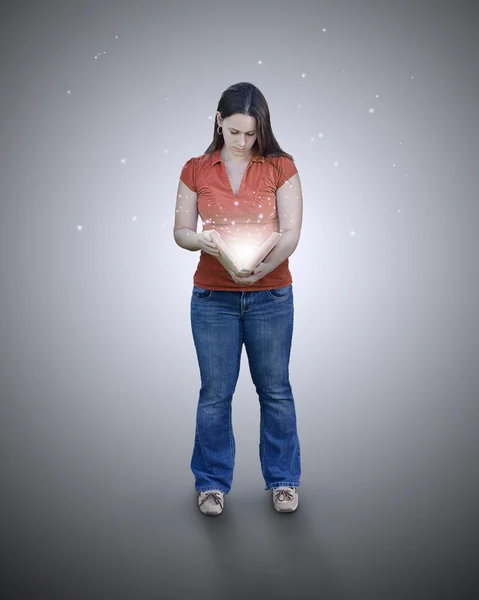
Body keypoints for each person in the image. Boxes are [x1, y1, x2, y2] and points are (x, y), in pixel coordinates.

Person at [173, 82, 303, 516]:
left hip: (270, 296)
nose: (243, 141)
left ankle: (283, 481)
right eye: (234, 132)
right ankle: (211, 484)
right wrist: (202, 241)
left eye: (251, 133)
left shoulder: (280, 166)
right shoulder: (195, 168)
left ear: (261, 127)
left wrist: (259, 271)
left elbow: (290, 233)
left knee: (275, 390)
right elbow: (181, 231)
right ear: (218, 122)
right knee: (215, 393)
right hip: (212, 298)